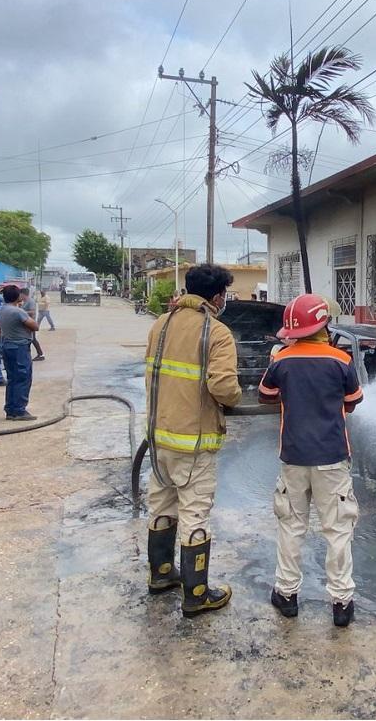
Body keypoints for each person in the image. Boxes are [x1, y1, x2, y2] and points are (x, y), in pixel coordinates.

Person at [258, 293, 363, 627]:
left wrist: (277, 360)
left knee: (291, 526)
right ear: (325, 325)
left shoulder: (281, 360)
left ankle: (287, 595)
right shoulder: (341, 360)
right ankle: (341, 603)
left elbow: (265, 396)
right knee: (338, 531)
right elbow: (353, 401)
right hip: (332, 459)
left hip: (293, 458)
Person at [144, 264, 241, 618]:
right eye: (225, 295)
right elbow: (223, 386)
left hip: (159, 439)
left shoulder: (160, 324)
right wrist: (234, 400)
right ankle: (197, 594)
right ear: (217, 297)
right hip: (194, 442)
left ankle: (161, 574)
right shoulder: (215, 331)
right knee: (195, 515)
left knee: (162, 507)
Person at [0, 285, 39, 421]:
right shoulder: (17, 312)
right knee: (23, 378)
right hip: (20, 347)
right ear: (18, 297)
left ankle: (10, 409)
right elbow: (35, 326)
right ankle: (19, 410)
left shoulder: (2, 309)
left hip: (7, 345)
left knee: (12, 379)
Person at [19, 288, 45, 362]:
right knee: (31, 339)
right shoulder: (25, 301)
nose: (20, 296)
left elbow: (32, 312)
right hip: (27, 323)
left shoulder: (30, 301)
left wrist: (21, 312)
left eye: (20, 295)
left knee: (31, 339)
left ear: (23, 294)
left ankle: (40, 354)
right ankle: (39, 354)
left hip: (30, 323)